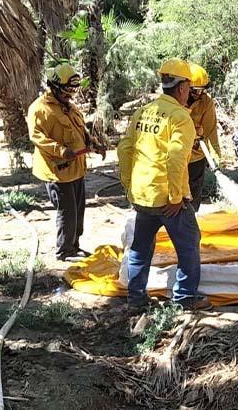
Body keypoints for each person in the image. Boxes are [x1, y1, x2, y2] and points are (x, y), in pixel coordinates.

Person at [117, 58, 210, 311]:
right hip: (168, 199)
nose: (190, 93)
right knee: (189, 245)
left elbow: (125, 148)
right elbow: (176, 156)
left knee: (140, 248)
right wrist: (176, 196)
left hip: (143, 195)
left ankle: (135, 299)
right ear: (182, 88)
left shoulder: (143, 112)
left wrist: (129, 185)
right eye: (189, 88)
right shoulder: (180, 117)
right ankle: (184, 298)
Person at [28, 64, 105, 261]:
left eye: (72, 91)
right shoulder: (39, 109)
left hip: (76, 169)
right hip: (57, 172)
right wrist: (62, 151)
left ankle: (74, 246)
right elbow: (38, 138)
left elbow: (81, 131)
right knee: (67, 211)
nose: (69, 95)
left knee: (78, 211)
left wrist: (93, 144)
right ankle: (64, 251)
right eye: (66, 91)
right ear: (54, 87)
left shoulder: (70, 107)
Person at [185, 63, 221, 211]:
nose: (198, 94)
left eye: (202, 90)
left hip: (196, 155)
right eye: (194, 90)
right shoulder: (173, 101)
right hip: (176, 155)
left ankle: (191, 220)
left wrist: (215, 154)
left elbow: (211, 130)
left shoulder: (206, 102)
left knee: (194, 191)